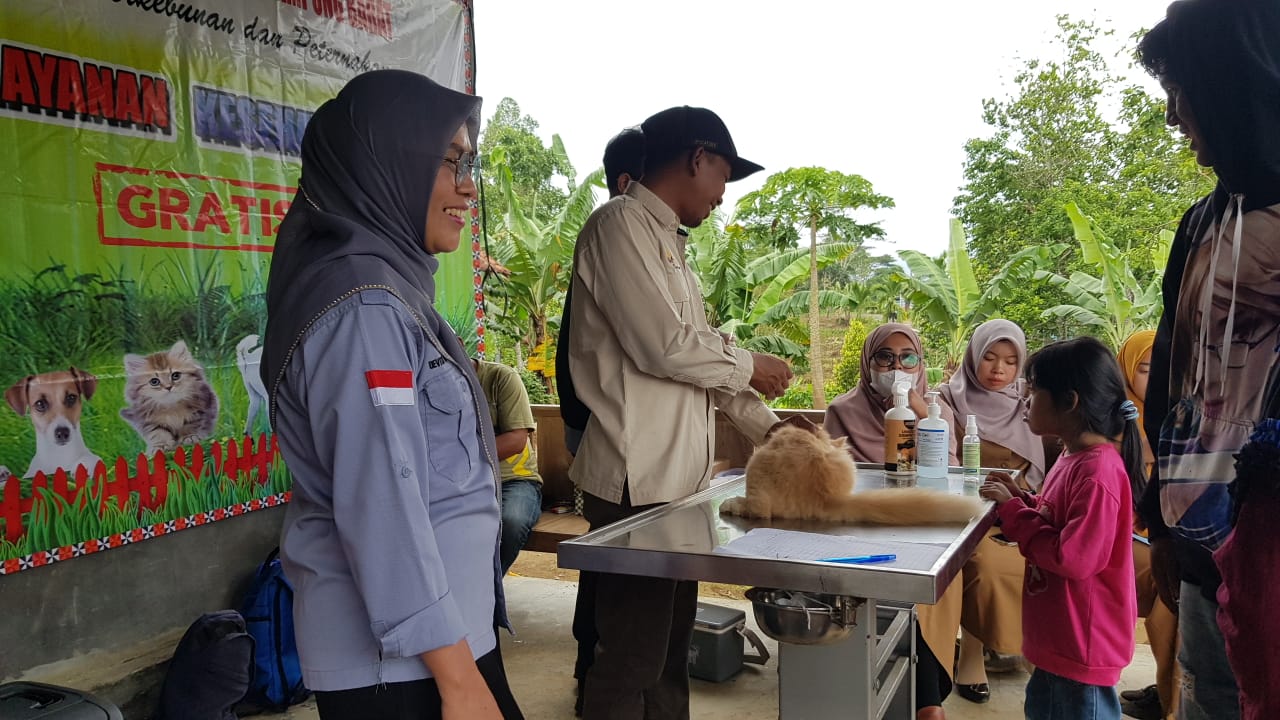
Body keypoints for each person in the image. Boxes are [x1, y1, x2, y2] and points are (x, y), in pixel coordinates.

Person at [260, 71, 522, 720]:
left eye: (472, 163)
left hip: (435, 648)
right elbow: (383, 510)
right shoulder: (363, 310)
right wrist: (459, 683)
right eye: (452, 162)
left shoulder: (388, 295)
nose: (469, 186)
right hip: (402, 668)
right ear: (384, 165)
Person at [567, 105, 799, 720]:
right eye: (724, 174)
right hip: (633, 478)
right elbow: (664, 348)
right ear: (698, 158)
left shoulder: (670, 243)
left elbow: (704, 367)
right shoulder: (619, 225)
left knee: (671, 647)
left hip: (679, 484)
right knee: (632, 653)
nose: (723, 195)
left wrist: (773, 432)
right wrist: (751, 364)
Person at [1136, 3, 1280, 718]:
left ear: (1233, 82)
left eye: (1181, 87)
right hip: (1199, 549)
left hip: (1273, 557)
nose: (1172, 115)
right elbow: (1170, 376)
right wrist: (1160, 521)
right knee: (1210, 698)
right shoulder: (1200, 223)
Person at [981, 336, 1141, 720]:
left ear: (1069, 401)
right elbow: (1060, 518)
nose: (1025, 402)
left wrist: (1016, 513)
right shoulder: (1073, 457)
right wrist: (1024, 499)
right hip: (1059, 640)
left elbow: (1074, 557)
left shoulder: (1098, 471)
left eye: (1034, 392)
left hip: (1080, 645)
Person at [824, 322, 959, 720]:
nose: (895, 366)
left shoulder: (935, 412)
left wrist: (920, 409)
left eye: (907, 357)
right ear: (868, 362)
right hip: (862, 524)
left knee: (930, 582)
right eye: (885, 356)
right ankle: (928, 704)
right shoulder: (842, 410)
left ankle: (926, 696)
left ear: (921, 364)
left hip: (925, 521)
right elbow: (832, 478)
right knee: (892, 580)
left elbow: (949, 472)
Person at [556, 127, 646, 715]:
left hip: (605, 429)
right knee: (613, 564)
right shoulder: (616, 232)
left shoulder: (643, 240)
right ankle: (593, 668)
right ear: (625, 182)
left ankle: (594, 665)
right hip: (601, 432)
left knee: (613, 565)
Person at [938, 319, 1049, 705]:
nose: (998, 369)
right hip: (967, 514)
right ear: (973, 357)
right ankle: (971, 656)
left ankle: (1029, 651)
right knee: (983, 564)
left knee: (1035, 561)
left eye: (1010, 361)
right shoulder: (947, 400)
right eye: (989, 357)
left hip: (1021, 509)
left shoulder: (1030, 406)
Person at [1116, 330, 1180, 720]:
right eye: (1143, 368)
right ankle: (1170, 696)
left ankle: (1169, 692)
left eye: (1162, 368)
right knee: (1173, 585)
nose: (1154, 377)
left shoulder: (1180, 416)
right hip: (1127, 528)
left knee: (1181, 588)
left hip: (1164, 529)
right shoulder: (1116, 418)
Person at [472, 358, 543, 575]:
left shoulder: (501, 378)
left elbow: (516, 440)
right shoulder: (429, 383)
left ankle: (485, 591)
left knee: (511, 522)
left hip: (514, 480)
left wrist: (460, 459)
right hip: (464, 483)